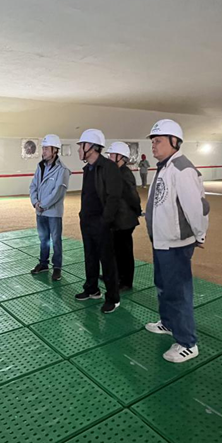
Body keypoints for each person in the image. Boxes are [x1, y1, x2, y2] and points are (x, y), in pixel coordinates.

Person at [143, 119, 210, 363]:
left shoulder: (182, 169)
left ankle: (187, 343)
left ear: (174, 141)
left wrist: (200, 234)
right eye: (152, 141)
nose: (153, 145)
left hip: (175, 245)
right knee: (163, 286)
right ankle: (168, 323)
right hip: (162, 241)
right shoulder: (164, 167)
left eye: (158, 140)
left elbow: (196, 208)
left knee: (178, 293)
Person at [75, 129, 123, 314]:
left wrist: (105, 221)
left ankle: (113, 298)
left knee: (107, 260)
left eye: (81, 146)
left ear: (91, 147)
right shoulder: (88, 168)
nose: (79, 149)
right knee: (90, 256)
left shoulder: (109, 167)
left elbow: (114, 197)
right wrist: (83, 216)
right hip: (87, 221)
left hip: (101, 223)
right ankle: (92, 289)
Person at [29, 134, 72, 281]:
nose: (44, 151)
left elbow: (58, 192)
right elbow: (33, 186)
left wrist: (42, 205)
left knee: (56, 240)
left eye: (46, 148)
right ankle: (43, 263)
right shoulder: (40, 166)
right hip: (40, 212)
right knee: (43, 238)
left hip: (53, 213)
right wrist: (35, 202)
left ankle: (57, 267)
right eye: (43, 148)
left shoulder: (63, 170)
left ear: (55, 150)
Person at [107, 141, 141, 291]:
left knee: (124, 251)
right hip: (118, 219)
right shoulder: (117, 172)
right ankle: (117, 276)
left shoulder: (124, 174)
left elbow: (133, 196)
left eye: (111, 155)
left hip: (125, 220)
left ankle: (126, 281)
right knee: (116, 249)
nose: (109, 157)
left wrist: (137, 211)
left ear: (120, 157)